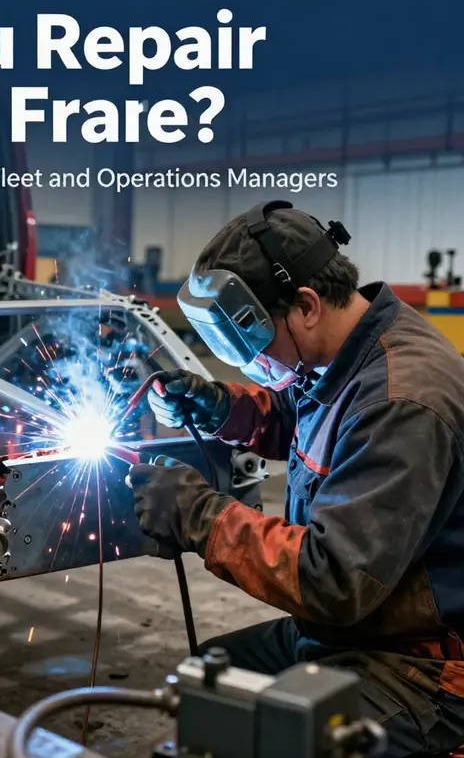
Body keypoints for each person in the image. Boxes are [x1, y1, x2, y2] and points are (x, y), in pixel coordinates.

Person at [128, 200, 464, 757]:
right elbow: (300, 417)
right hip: (354, 633)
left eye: (257, 343)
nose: (250, 362)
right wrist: (220, 408)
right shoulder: (348, 354)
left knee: (288, 736)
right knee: (206, 684)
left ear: (305, 305)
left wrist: (199, 516)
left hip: (420, 667)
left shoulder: (402, 398)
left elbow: (334, 580)